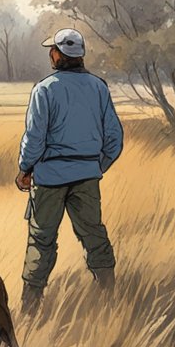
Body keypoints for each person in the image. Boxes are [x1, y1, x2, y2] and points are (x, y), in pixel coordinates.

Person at [16, 28, 123, 313]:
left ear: (58, 55)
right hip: (87, 177)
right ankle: (110, 301)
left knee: (41, 240)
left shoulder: (44, 89)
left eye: (52, 49)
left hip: (49, 178)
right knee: (94, 236)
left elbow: (34, 137)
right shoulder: (99, 87)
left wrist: (25, 169)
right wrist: (94, 166)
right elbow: (114, 138)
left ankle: (29, 308)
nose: (50, 53)